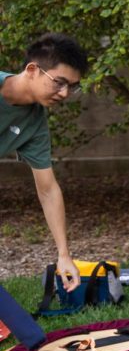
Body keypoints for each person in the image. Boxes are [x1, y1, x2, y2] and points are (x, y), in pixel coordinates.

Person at [1, 33, 88, 295]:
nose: (64, 94)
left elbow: (48, 189)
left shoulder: (35, 124)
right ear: (32, 70)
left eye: (72, 87)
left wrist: (64, 254)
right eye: (59, 83)